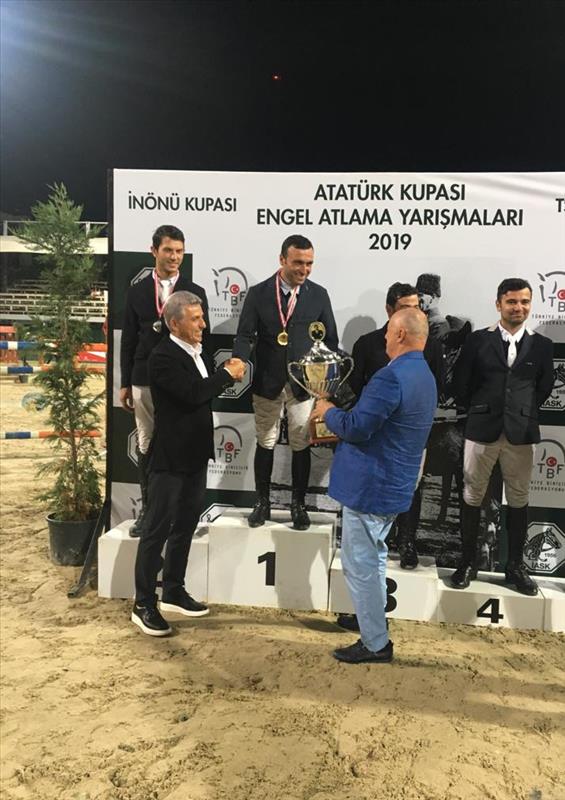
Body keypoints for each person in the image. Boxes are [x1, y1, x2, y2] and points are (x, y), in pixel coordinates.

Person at [312, 309, 436, 664]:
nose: (384, 337)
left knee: (361, 564)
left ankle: (375, 643)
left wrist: (327, 410)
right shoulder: (424, 374)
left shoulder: (390, 376)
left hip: (371, 486)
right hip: (393, 483)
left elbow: (356, 427)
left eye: (388, 331)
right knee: (375, 559)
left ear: (400, 335)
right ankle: (371, 624)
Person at [131, 292, 246, 636]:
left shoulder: (198, 351)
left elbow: (201, 394)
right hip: (169, 459)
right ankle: (143, 604)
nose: (203, 324)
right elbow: (193, 393)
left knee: (185, 525)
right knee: (156, 531)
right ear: (174, 323)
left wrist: (222, 375)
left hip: (196, 455)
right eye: (195, 319)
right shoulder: (162, 357)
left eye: (202, 317)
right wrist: (226, 375)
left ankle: (173, 590)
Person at [452, 278, 554, 595]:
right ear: (498, 304)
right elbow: (461, 384)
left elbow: (544, 388)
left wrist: (519, 412)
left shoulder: (542, 345)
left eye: (524, 302)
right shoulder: (477, 341)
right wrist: (483, 408)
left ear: (530, 305)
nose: (518, 307)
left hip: (521, 433)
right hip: (481, 429)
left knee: (519, 499)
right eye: (511, 302)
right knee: (472, 495)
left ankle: (515, 567)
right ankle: (467, 563)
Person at [232, 234, 338, 530]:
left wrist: (321, 380)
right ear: (282, 260)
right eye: (298, 263)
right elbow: (244, 335)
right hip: (267, 381)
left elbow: (330, 340)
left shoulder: (319, 295)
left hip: (303, 386)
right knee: (265, 441)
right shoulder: (258, 294)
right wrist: (238, 360)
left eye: (309, 263)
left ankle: (298, 505)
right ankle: (262, 502)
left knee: (300, 443)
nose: (304, 269)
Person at [120, 225, 209, 538]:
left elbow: (204, 338)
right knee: (146, 442)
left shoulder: (194, 291)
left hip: (181, 380)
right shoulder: (136, 292)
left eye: (179, 251)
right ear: (154, 251)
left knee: (182, 441)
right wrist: (125, 382)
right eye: (168, 250)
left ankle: (183, 511)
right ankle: (149, 510)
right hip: (144, 378)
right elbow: (128, 339)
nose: (174, 257)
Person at [349, 282, 444, 570]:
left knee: (410, 488)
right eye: (405, 308)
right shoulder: (367, 344)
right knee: (373, 489)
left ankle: (407, 541)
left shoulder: (431, 346)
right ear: (389, 310)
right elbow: (355, 387)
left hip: (410, 436)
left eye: (416, 307)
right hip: (374, 436)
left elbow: (435, 388)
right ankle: (377, 542)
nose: (413, 313)